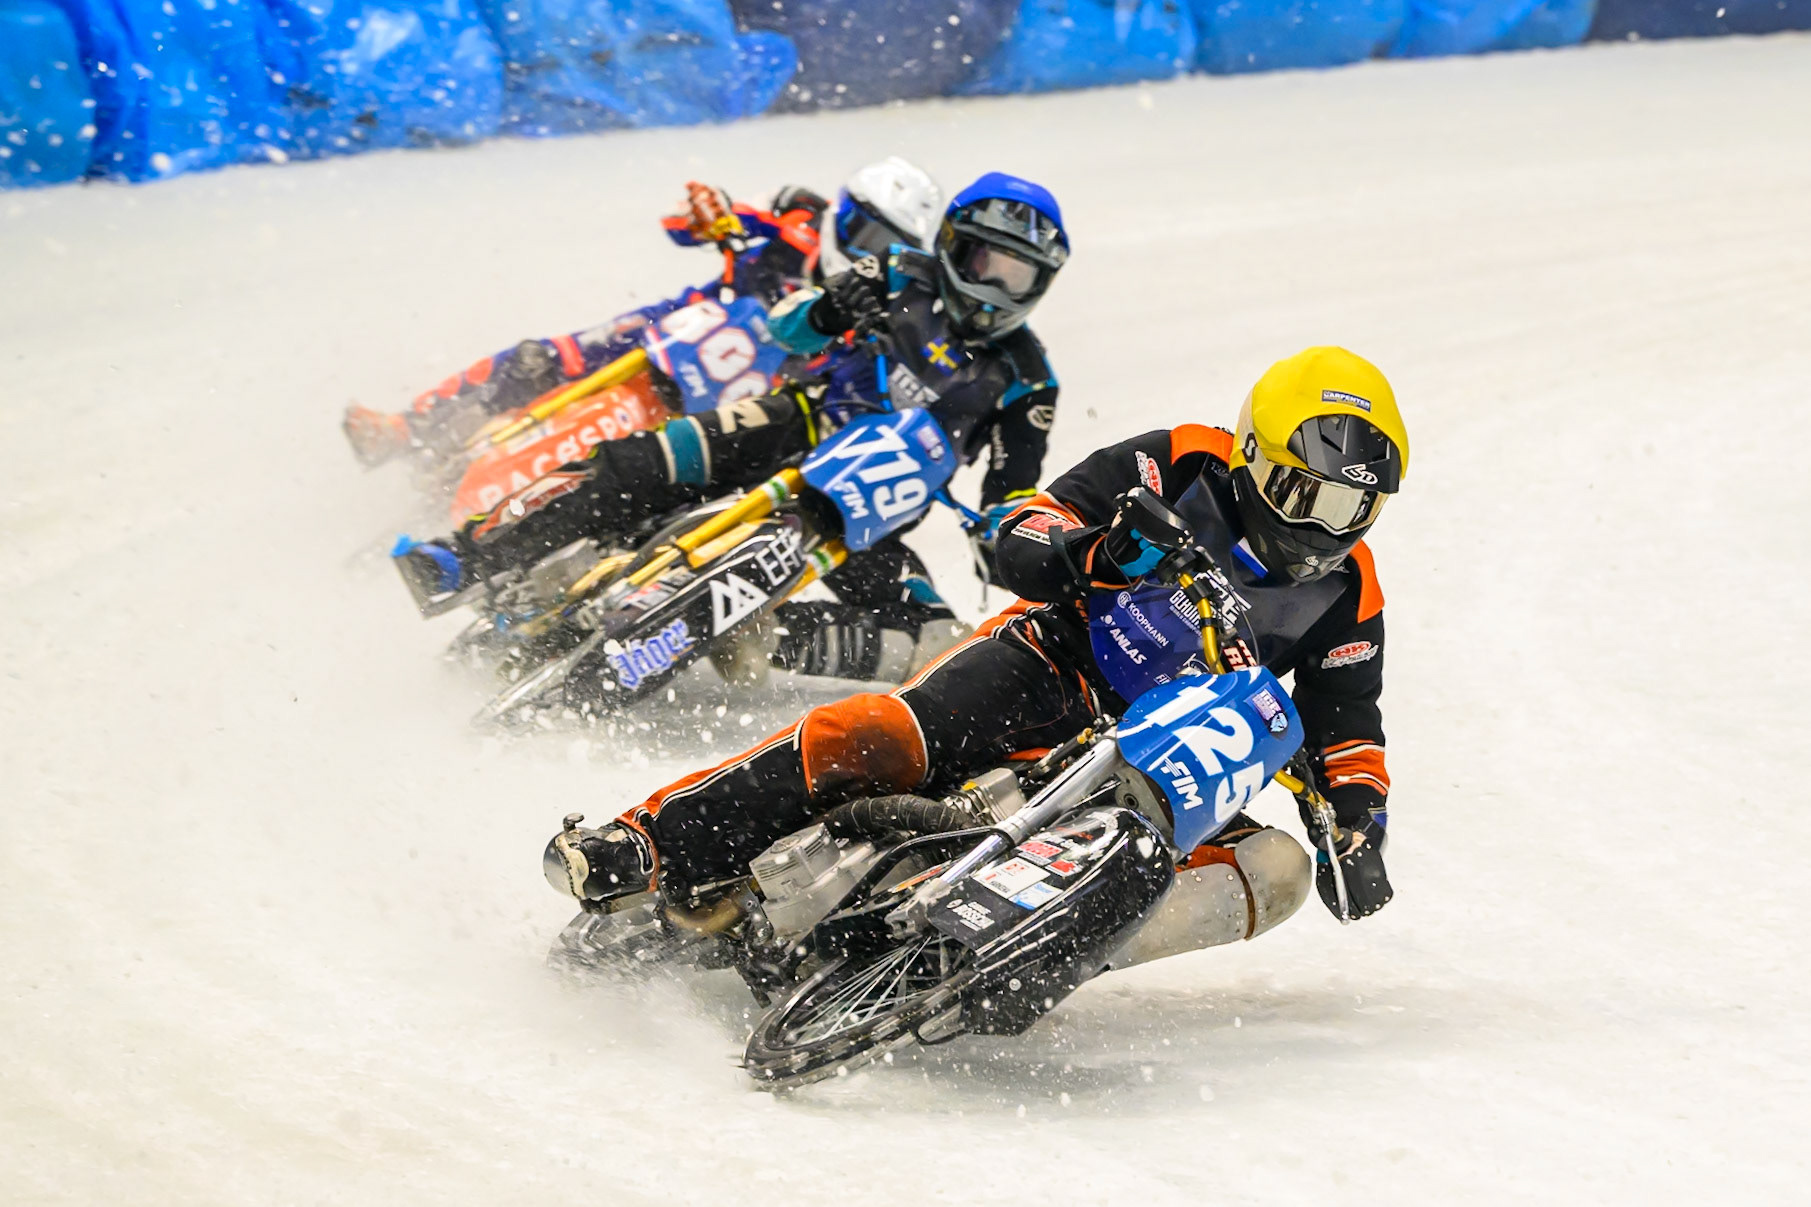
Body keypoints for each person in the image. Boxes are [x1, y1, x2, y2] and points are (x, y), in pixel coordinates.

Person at [543, 347, 1405, 950]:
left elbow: (1345, 724)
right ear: (1253, 456)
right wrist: (1088, 554)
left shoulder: (1349, 591)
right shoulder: (1174, 462)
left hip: (1170, 748)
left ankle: (1043, 952)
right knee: (879, 736)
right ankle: (647, 842)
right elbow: (1024, 523)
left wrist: (1359, 830)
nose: (1321, 532)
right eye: (1306, 496)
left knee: (1276, 868)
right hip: (1052, 660)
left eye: (1351, 511)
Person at [398, 170, 1068, 685]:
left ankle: (766, 633)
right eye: (987, 263)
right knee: (640, 460)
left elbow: (1010, 493)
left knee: (937, 645)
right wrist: (831, 307)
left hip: (871, 509)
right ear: (953, 245)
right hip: (794, 421)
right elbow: (787, 324)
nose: (994, 290)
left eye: (1018, 276)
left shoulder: (1029, 378)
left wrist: (1020, 541)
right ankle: (468, 557)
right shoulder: (897, 270)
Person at [343, 159, 943, 466]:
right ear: (842, 209)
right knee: (540, 358)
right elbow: (685, 223)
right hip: (686, 325)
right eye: (860, 230)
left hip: (751, 390)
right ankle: (409, 428)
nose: (864, 252)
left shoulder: (882, 306)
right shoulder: (798, 212)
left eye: (883, 245)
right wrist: (709, 214)